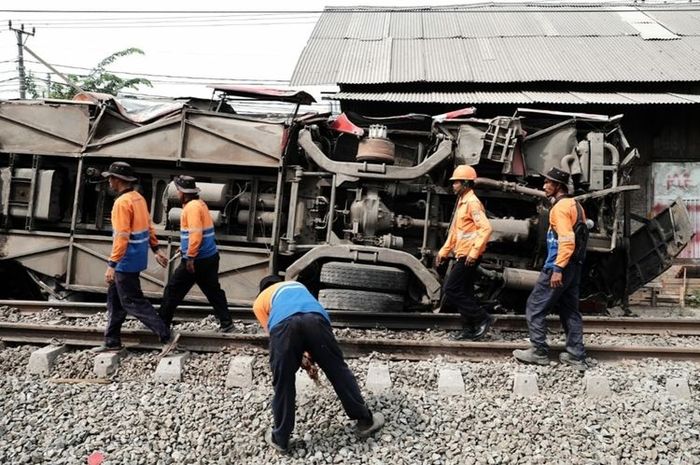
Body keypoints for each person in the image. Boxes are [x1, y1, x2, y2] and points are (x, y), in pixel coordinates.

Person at [253, 275, 384, 453]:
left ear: (263, 289)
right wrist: (311, 354)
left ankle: (281, 438)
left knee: (283, 381)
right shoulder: (297, 285)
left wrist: (299, 358)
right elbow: (307, 317)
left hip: (283, 325)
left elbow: (275, 333)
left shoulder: (260, 301)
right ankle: (365, 421)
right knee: (338, 371)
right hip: (316, 320)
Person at [91, 161, 178, 355]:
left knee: (132, 301)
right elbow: (148, 227)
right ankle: (112, 340)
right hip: (136, 257)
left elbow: (121, 237)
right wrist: (155, 249)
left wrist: (112, 264)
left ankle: (166, 336)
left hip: (125, 261)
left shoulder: (122, 203)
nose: (109, 182)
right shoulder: (138, 198)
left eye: (110, 179)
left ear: (117, 180)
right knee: (115, 301)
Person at [513, 167, 589, 370]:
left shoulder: (560, 208)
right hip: (574, 266)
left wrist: (557, 268)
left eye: (548, 183)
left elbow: (567, 239)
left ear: (559, 186)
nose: (544, 186)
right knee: (570, 311)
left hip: (560, 265)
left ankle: (538, 351)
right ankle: (576, 355)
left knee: (535, 307)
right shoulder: (576, 205)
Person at [159, 175, 234, 332]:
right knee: (214, 292)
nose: (177, 192)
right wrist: (184, 247)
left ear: (182, 193)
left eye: (178, 190)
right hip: (209, 256)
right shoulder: (200, 204)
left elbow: (196, 234)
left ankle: (161, 325)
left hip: (196, 260)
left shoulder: (191, 208)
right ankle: (227, 323)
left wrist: (190, 257)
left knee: (172, 290)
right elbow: (198, 233)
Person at [435, 165, 494, 341]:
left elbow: (486, 228)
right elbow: (455, 232)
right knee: (465, 293)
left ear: (466, 183)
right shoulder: (462, 203)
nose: (453, 185)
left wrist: (474, 253)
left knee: (451, 289)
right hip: (463, 253)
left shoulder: (472, 203)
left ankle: (482, 318)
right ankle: (469, 329)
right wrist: (443, 253)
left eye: (456, 182)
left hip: (469, 256)